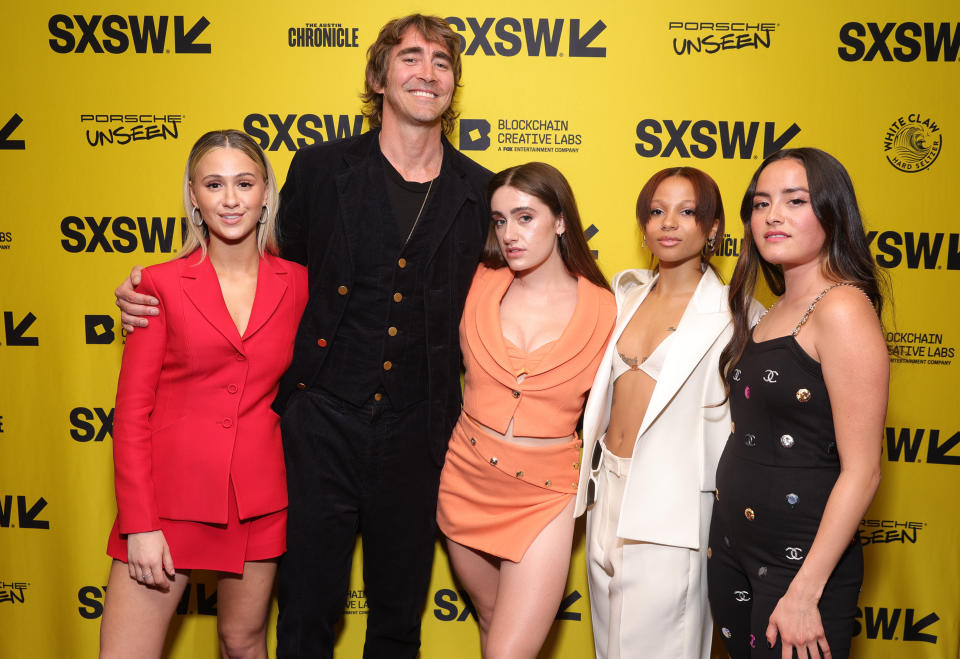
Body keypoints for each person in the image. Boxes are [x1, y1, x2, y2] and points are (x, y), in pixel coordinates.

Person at [115, 15, 490, 658]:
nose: (426, 73)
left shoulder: (479, 190)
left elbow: (516, 294)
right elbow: (260, 272)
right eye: (410, 58)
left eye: (441, 62)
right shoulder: (319, 170)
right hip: (316, 428)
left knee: (399, 617)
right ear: (377, 76)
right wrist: (155, 294)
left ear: (454, 84)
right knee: (305, 616)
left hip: (420, 432)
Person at [100, 129, 309, 659]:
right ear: (193, 195)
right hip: (166, 500)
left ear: (267, 193)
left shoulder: (301, 284)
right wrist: (140, 525)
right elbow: (130, 416)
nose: (231, 199)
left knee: (243, 643)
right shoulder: (157, 286)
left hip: (258, 499)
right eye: (214, 184)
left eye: (245, 183)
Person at [708, 148, 889, 659]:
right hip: (732, 546)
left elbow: (863, 471)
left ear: (832, 213)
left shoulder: (843, 309)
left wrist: (805, 591)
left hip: (800, 565)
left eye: (795, 201)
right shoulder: (771, 309)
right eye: (761, 203)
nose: (773, 215)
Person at [574, 167, 760, 658]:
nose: (668, 223)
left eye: (686, 211)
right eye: (657, 211)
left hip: (674, 506)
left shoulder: (737, 314)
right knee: (607, 647)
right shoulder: (624, 297)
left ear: (714, 227)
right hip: (605, 490)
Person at [436, 162, 616, 658]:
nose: (509, 235)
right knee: (491, 619)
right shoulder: (478, 283)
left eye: (525, 217)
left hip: (544, 495)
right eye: (499, 221)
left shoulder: (609, 308)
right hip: (466, 478)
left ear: (560, 220)